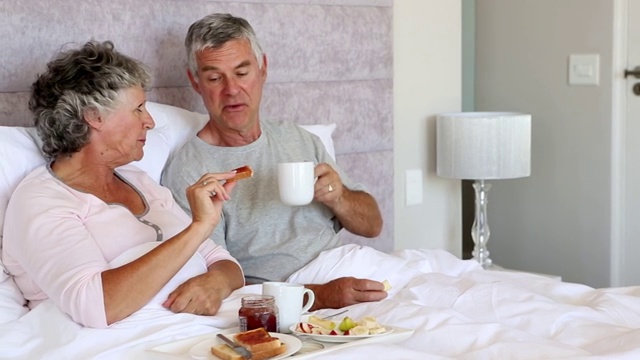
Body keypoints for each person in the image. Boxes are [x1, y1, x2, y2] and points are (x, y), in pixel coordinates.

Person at [1, 40, 244, 329]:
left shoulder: (139, 180)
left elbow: (227, 265)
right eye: (138, 109)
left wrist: (216, 281)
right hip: (127, 340)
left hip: (200, 330)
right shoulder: (41, 201)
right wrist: (199, 227)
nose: (150, 121)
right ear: (94, 117)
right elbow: (98, 306)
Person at [162, 13, 386, 310]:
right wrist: (321, 296)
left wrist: (340, 197)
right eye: (215, 78)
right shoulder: (189, 174)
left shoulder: (299, 139)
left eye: (242, 73)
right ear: (195, 82)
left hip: (351, 269)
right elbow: (218, 282)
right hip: (298, 296)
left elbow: (373, 226)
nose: (231, 90)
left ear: (263, 69)